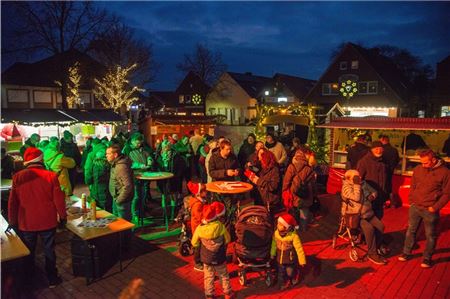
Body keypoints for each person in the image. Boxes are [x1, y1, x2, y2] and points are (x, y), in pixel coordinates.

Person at [8, 147, 67, 288]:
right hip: (47, 220)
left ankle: (29, 279)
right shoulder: (51, 176)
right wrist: (63, 217)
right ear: (41, 160)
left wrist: (12, 220)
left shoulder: (18, 177)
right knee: (49, 250)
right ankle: (52, 278)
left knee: (29, 251)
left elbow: (12, 202)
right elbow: (59, 200)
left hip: (26, 222)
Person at [398, 149, 449, 268]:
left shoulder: (445, 172)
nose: (423, 165)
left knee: (430, 234)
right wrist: (411, 200)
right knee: (411, 230)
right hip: (416, 206)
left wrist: (435, 207)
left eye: (426, 163)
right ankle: (406, 252)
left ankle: (427, 258)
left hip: (430, 209)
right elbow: (413, 185)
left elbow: (447, 193)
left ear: (434, 160)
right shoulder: (418, 169)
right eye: (421, 162)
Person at [341, 169, 386, 265]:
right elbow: (356, 198)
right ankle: (372, 254)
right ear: (349, 178)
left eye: (359, 176)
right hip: (356, 216)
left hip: (368, 213)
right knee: (369, 229)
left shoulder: (364, 183)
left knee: (380, 226)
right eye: (356, 177)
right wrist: (357, 185)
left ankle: (375, 247)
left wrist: (372, 196)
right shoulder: (345, 187)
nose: (359, 178)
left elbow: (374, 191)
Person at [191, 205, 234, 299]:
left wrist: (201, 245)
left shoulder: (200, 228)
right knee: (223, 274)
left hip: (206, 257)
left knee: (209, 276)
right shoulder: (220, 226)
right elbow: (228, 239)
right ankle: (227, 293)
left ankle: (209, 294)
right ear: (215, 216)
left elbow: (194, 242)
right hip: (219, 256)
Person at [282, 148, 316, 231]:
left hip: (294, 193)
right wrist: (314, 193)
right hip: (306, 193)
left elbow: (286, 181)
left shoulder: (292, 167)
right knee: (304, 210)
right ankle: (303, 228)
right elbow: (313, 183)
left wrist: (284, 190)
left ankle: (294, 227)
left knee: (294, 211)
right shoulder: (309, 168)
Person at [123, 133, 154, 222]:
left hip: (145, 175)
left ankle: (142, 212)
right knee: (136, 196)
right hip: (134, 176)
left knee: (143, 195)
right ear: (132, 141)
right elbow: (126, 163)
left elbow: (148, 155)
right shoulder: (127, 150)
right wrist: (139, 165)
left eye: (140, 143)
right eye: (137, 143)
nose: (139, 144)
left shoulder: (142, 148)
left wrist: (149, 159)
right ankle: (135, 214)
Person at [270, 213, 306, 290]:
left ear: (287, 227)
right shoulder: (276, 234)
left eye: (280, 224)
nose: (277, 225)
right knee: (281, 273)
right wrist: (272, 253)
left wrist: (302, 260)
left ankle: (293, 277)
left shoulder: (293, 236)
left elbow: (299, 249)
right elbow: (274, 244)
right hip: (280, 258)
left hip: (290, 259)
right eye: (278, 223)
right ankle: (283, 283)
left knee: (290, 272)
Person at [357, 141, 387, 220]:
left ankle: (376, 232)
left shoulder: (383, 162)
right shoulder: (363, 162)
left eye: (380, 149)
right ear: (371, 150)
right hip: (369, 198)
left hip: (380, 196)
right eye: (376, 149)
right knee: (368, 220)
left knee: (379, 217)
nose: (378, 151)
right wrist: (367, 195)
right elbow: (358, 181)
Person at [106, 144, 134, 222]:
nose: (106, 156)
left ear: (115, 155)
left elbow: (128, 186)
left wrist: (119, 200)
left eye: (108, 154)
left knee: (124, 223)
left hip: (121, 200)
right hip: (116, 197)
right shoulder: (115, 163)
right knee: (118, 222)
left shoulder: (121, 167)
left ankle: (127, 234)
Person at [84, 144, 112, 212]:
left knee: (97, 210)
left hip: (96, 192)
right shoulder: (110, 164)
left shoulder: (94, 165)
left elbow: (88, 179)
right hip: (108, 191)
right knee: (109, 210)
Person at [187, 181, 207, 272]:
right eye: (204, 191)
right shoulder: (197, 205)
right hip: (197, 228)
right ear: (199, 193)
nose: (206, 192)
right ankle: (197, 263)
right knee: (198, 246)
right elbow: (199, 217)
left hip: (197, 227)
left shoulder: (197, 201)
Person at [379, 135, 400, 207]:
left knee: (382, 186)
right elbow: (397, 160)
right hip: (391, 170)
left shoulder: (381, 150)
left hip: (382, 171)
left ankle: (383, 203)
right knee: (389, 186)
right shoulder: (394, 150)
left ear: (383, 140)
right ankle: (392, 203)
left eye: (380, 140)